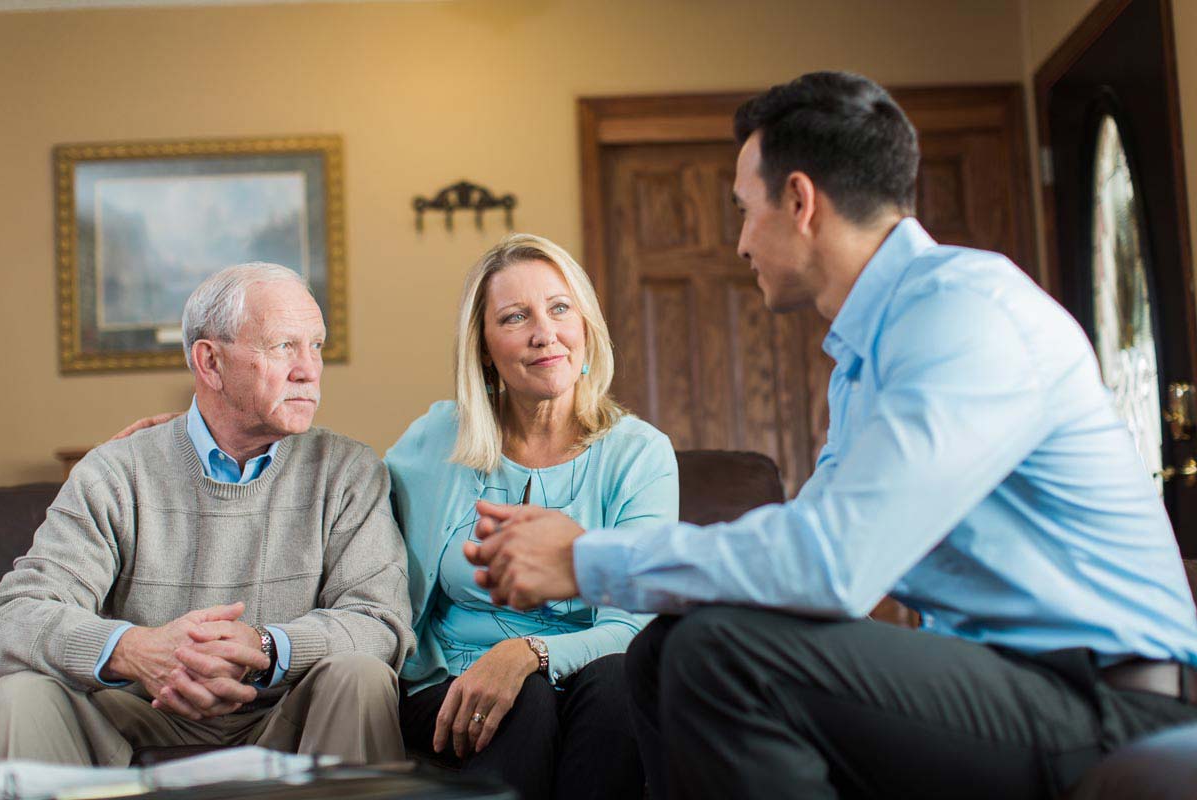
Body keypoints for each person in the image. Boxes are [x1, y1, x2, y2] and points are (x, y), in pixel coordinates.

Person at [463, 73, 1197, 799]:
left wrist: (586, 556)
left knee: (724, 654)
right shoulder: (867, 355)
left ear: (799, 201)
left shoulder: (964, 313)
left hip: (1109, 697)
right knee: (664, 649)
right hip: (1012, 682)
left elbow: (831, 565)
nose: (742, 242)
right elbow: (807, 556)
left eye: (745, 211)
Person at [0, 263, 414, 766]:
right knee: (22, 695)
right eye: (284, 346)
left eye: (316, 346)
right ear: (210, 362)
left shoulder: (349, 470)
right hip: (137, 717)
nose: (309, 368)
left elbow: (381, 623)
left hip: (285, 714)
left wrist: (266, 647)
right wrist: (136, 650)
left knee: (362, 674)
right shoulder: (114, 471)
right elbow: (17, 615)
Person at [386, 233, 677, 800]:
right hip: (452, 681)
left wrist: (526, 654)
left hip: (593, 676)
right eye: (516, 317)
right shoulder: (437, 438)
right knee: (528, 700)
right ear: (484, 350)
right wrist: (199, 432)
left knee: (620, 679)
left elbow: (635, 620)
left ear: (586, 328)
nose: (545, 333)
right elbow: (340, 492)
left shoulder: (639, 453)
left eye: (560, 308)